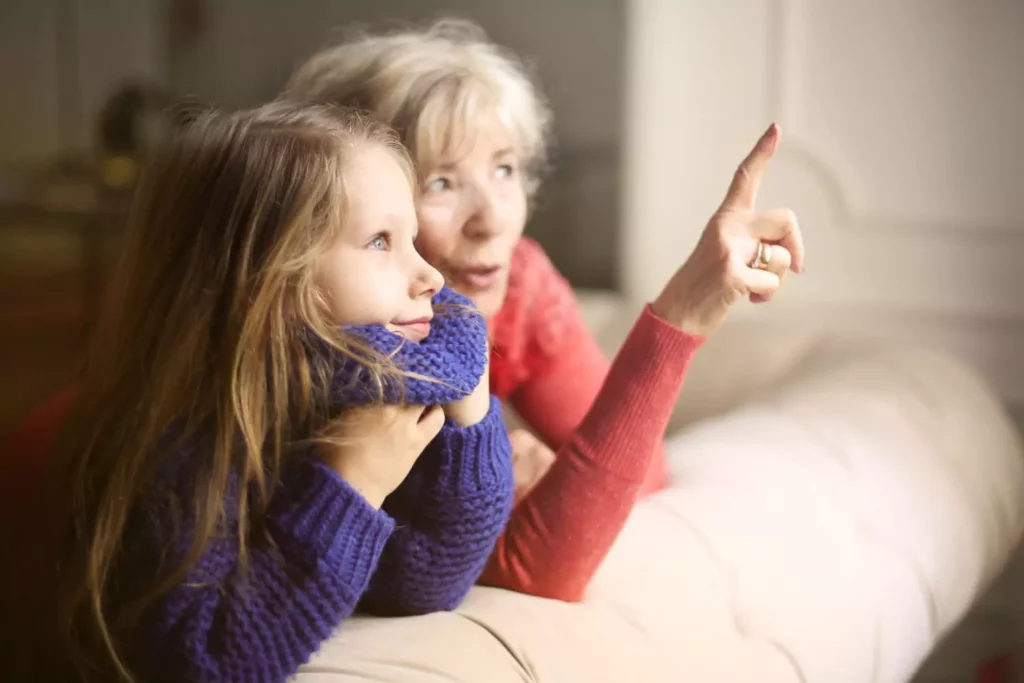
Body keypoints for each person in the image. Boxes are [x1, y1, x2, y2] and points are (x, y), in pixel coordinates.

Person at [283, 18, 805, 602]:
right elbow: (535, 570)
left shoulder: (521, 282)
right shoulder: (350, 341)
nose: (494, 220)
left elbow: (646, 472)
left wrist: (541, 466)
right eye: (440, 183)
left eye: (504, 169)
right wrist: (681, 312)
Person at [13, 101, 514, 683]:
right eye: (381, 241)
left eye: (411, 238)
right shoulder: (185, 441)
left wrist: (470, 411)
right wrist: (351, 488)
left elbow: (425, 582)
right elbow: (212, 664)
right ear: (267, 277)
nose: (429, 275)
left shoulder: (364, 387)